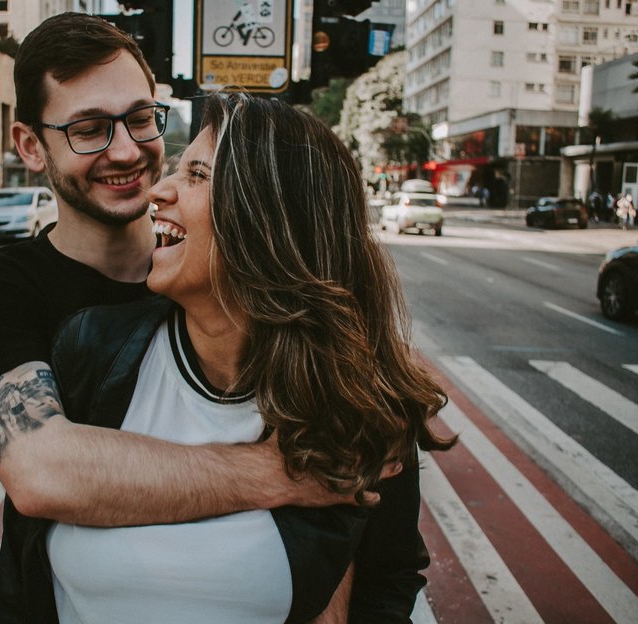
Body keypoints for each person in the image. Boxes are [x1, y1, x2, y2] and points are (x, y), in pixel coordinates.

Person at [0, 13, 431, 623]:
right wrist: (284, 471)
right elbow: (41, 469)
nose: (127, 151)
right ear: (29, 144)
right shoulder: (33, 307)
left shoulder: (252, 312)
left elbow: (374, 561)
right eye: (89, 130)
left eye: (141, 118)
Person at [41, 91, 456, 622]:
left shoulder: (361, 406)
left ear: (268, 220)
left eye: (195, 174)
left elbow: (388, 580)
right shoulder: (93, 350)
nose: (158, 191)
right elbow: (26, 562)